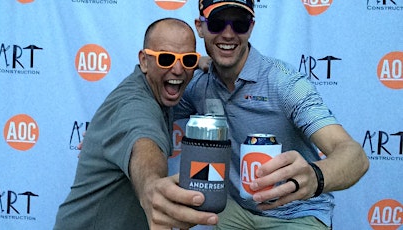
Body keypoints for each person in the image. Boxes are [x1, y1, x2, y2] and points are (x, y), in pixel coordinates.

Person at [173, 0, 370, 229]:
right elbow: (148, 99)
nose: (228, 34)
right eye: (217, 24)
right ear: (200, 27)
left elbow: (355, 156)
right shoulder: (199, 84)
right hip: (235, 209)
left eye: (240, 24)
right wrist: (188, 62)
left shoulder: (283, 82)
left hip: (296, 211)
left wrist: (315, 176)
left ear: (252, 27)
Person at [53, 18, 220, 230]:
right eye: (166, 59)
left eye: (187, 60)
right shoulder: (135, 104)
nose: (178, 70)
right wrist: (152, 186)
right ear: (144, 61)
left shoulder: (157, 89)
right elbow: (143, 141)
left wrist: (202, 61)